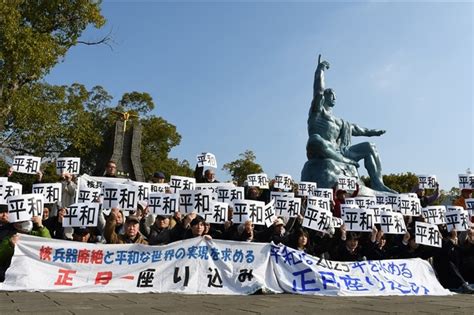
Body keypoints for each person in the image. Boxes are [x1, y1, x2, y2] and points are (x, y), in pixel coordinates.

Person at [305, 55, 395, 193]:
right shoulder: (318, 111)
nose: (334, 97)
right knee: (315, 139)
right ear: (325, 97)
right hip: (320, 150)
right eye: (331, 94)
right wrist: (320, 70)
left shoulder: (340, 122)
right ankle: (344, 161)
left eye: (335, 95)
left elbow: (358, 129)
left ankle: (378, 183)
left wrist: (374, 132)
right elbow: (318, 91)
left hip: (340, 151)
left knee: (370, 147)